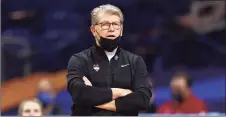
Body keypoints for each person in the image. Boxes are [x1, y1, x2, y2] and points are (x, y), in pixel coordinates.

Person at [66, 4, 152, 116]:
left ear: (121, 30)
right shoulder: (79, 60)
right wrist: (120, 92)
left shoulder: (135, 61)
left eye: (116, 24)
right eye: (105, 24)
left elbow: (143, 100)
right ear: (93, 30)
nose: (111, 28)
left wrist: (94, 99)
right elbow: (79, 93)